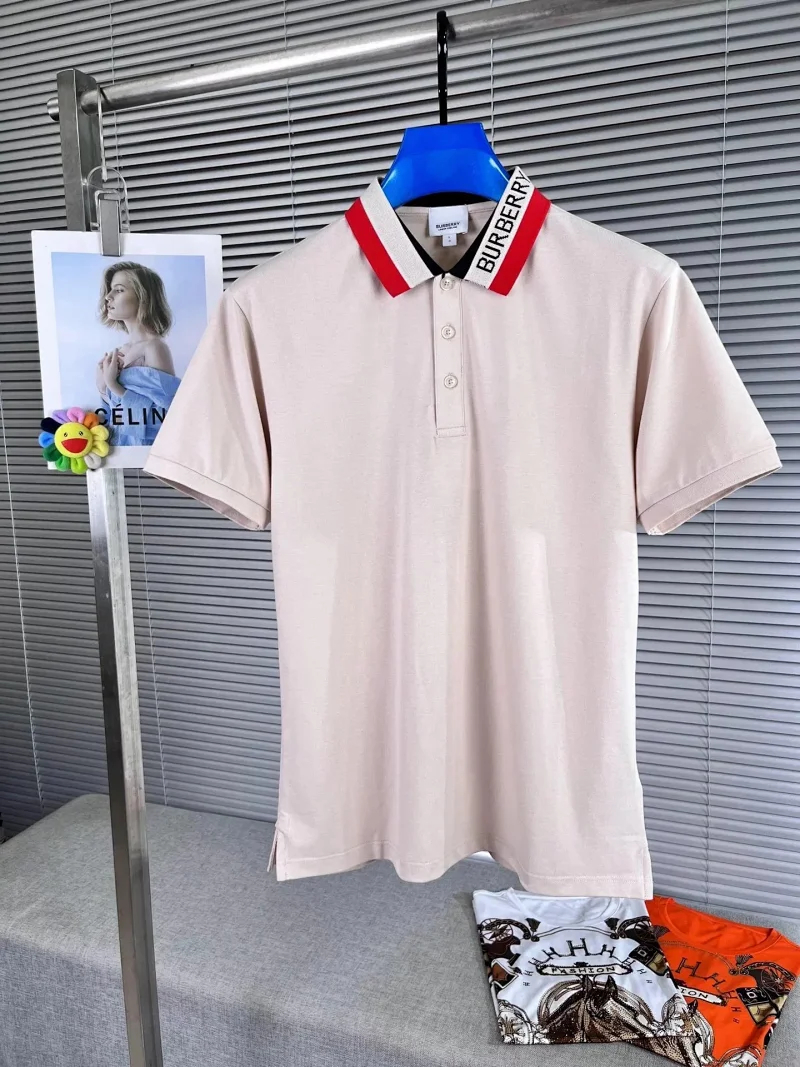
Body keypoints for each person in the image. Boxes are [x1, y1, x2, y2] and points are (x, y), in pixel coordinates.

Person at [95, 261, 181, 445]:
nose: (108, 297)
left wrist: (113, 385)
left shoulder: (154, 348)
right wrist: (103, 389)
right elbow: (112, 418)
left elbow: (166, 415)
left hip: (144, 452)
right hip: (119, 450)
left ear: (143, 298)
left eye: (119, 290)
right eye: (110, 290)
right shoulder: (121, 351)